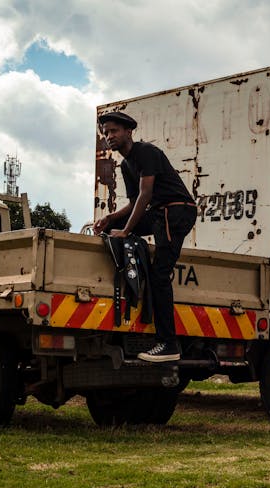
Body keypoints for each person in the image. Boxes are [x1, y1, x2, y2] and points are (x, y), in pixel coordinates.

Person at [94, 111, 197, 362]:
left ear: (128, 132)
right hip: (159, 214)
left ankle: (168, 344)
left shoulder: (145, 152)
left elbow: (145, 195)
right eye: (106, 132)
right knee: (111, 227)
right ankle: (132, 271)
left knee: (160, 274)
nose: (109, 136)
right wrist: (111, 219)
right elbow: (133, 203)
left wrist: (127, 230)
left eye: (114, 131)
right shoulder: (127, 165)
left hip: (176, 210)